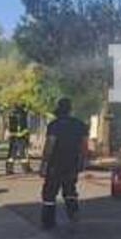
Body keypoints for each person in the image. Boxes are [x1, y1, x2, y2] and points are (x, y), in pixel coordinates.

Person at [40, 98, 88, 229]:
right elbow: (84, 145)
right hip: (72, 163)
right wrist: (83, 161)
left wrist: (44, 163)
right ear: (70, 109)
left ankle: (48, 221)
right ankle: (73, 213)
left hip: (55, 164)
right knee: (70, 189)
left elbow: (50, 145)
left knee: (49, 192)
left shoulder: (54, 125)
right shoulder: (79, 124)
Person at [6, 104, 31, 175]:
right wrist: (27, 136)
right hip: (21, 137)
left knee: (11, 154)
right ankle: (25, 169)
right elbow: (24, 126)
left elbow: (9, 126)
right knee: (23, 154)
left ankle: (9, 169)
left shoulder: (11, 114)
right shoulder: (23, 114)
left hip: (13, 137)